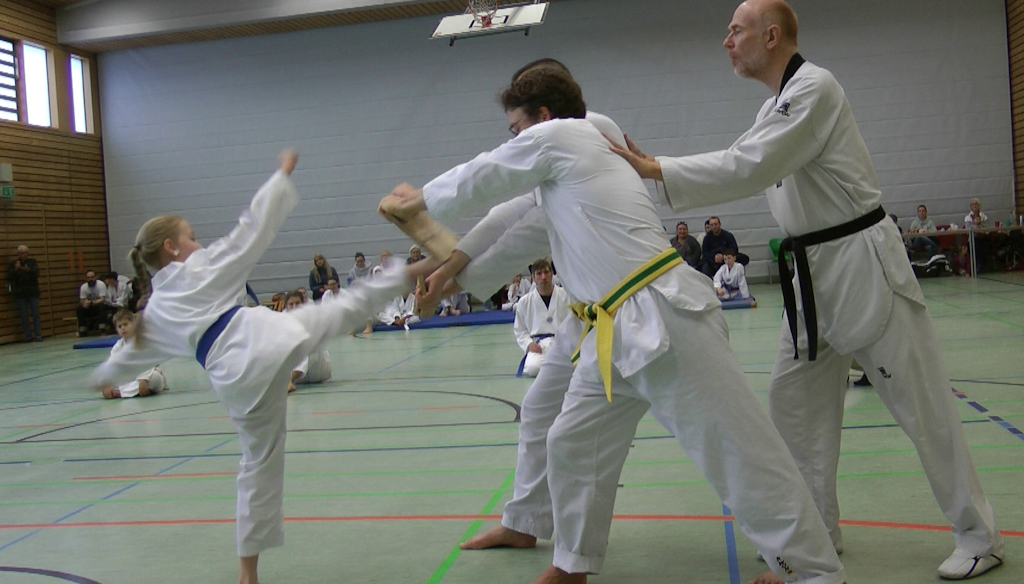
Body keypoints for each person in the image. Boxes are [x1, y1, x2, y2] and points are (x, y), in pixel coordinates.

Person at [390, 67, 845, 584]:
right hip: (610, 333)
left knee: (738, 449)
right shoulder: (564, 178)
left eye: (516, 129)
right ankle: (572, 565)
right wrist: (448, 276)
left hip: (664, 316)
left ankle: (814, 573)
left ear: (543, 118)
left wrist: (418, 200)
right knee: (571, 443)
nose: (513, 140)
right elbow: (511, 229)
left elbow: (487, 173)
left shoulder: (571, 135)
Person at [609, 1, 1003, 579]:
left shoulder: (815, 88)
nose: (726, 40)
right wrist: (657, 168)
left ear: (771, 37)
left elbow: (748, 166)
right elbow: (742, 159)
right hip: (810, 280)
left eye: (736, 30)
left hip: (862, 267)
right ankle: (817, 537)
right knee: (793, 407)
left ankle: (979, 535)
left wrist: (656, 169)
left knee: (923, 408)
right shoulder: (774, 106)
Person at [90, 151, 415, 584]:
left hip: (233, 382)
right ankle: (415, 270)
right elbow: (251, 233)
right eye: (192, 237)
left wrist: (98, 379)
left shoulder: (156, 311)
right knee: (339, 311)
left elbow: (126, 357)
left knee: (257, 467)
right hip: (258, 340)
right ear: (172, 248)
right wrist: (280, 178)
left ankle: (248, 573)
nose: (198, 243)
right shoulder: (200, 268)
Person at [513, 258, 571, 377]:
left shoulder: (566, 296)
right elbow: (520, 330)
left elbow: (575, 322)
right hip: (539, 346)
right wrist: (529, 344)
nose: (543, 277)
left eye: (546, 272)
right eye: (539, 274)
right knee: (533, 368)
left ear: (552, 274)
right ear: (533, 278)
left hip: (562, 343)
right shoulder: (524, 302)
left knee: (577, 366)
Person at [100, 310, 168, 399]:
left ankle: (121, 393)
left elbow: (149, 363)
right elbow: (111, 366)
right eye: (119, 326)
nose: (123, 328)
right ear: (116, 330)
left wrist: (143, 379)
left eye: (125, 324)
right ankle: (133, 391)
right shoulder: (118, 346)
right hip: (130, 378)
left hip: (149, 374)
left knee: (155, 378)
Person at [282, 291, 332, 392]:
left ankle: (288, 381)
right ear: (286, 307)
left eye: (297, 303)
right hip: (298, 379)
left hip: (319, 373)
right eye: (291, 304)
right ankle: (286, 381)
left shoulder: (312, 318)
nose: (294, 307)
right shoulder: (281, 321)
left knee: (309, 346)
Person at [8, 245, 42, 342]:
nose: (23, 255)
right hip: (21, 293)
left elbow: (36, 273)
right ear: (18, 254)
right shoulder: (13, 264)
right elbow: (10, 276)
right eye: (21, 253)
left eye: (25, 253)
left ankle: (38, 335)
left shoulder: (32, 262)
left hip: (32, 291)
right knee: (24, 316)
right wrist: (16, 269)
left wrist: (27, 270)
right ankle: (28, 336)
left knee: (35, 314)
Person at [78, 270, 108, 336]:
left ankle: (102, 329)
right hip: (90, 307)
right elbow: (82, 300)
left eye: (92, 277)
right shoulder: (83, 287)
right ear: (86, 279)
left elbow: (102, 299)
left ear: (95, 277)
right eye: (89, 278)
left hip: (100, 306)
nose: (91, 279)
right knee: (80, 308)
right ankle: (83, 330)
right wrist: (84, 303)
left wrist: (91, 302)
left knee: (102, 306)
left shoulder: (101, 284)